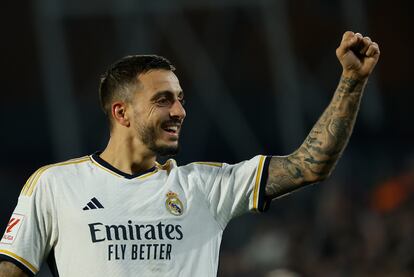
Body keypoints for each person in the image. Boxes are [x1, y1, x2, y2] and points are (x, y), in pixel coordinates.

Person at [0, 31, 380, 277]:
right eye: (163, 100)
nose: (179, 111)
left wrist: (352, 80)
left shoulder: (205, 186)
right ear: (121, 112)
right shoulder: (55, 185)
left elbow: (310, 165)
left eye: (180, 99)